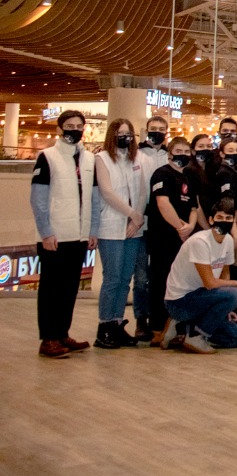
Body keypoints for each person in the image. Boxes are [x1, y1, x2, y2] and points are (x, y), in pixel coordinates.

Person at [30, 110, 99, 358]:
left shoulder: (89, 159)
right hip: (55, 236)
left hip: (79, 235)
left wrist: (92, 229)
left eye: (79, 126)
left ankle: (62, 333)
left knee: (69, 288)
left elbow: (94, 197)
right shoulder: (47, 157)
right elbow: (38, 198)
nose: (74, 130)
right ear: (59, 129)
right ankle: (48, 338)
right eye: (69, 126)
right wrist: (46, 232)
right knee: (51, 288)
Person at [161, 199, 237, 354]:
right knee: (235, 293)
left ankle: (182, 327)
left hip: (204, 298)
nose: (224, 221)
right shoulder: (200, 242)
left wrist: (226, 307)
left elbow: (225, 273)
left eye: (228, 218)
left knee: (235, 338)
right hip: (180, 302)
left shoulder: (228, 241)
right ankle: (195, 336)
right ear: (211, 220)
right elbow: (209, 283)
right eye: (220, 218)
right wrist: (235, 285)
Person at [93, 118, 147, 349]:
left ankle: (117, 323)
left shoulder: (137, 159)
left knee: (125, 279)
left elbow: (142, 191)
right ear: (112, 135)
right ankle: (104, 326)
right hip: (111, 226)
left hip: (134, 228)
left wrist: (137, 218)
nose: (125, 137)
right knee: (112, 278)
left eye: (129, 133)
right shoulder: (102, 159)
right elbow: (107, 192)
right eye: (121, 133)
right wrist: (131, 213)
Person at [145, 137, 197, 346]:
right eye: (178, 151)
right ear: (170, 154)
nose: (182, 155)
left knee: (180, 283)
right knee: (160, 281)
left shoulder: (189, 177)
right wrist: (179, 228)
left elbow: (194, 207)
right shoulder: (162, 174)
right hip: (163, 237)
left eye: (186, 151)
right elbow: (162, 203)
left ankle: (177, 328)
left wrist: (190, 226)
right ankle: (157, 328)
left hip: (183, 238)